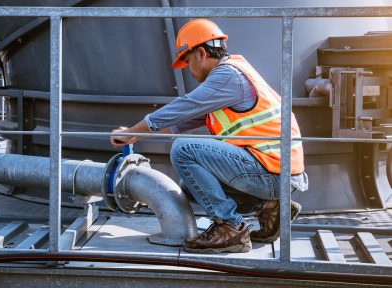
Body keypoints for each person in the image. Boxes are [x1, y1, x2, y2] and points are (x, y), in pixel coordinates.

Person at [110, 18, 308, 254]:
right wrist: (136, 136)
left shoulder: (227, 76)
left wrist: (133, 130)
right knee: (191, 188)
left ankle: (230, 229)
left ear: (201, 53)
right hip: (277, 173)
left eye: (187, 60)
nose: (187, 69)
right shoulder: (233, 76)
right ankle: (272, 207)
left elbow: (183, 106)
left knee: (183, 150)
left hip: (272, 173)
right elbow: (177, 124)